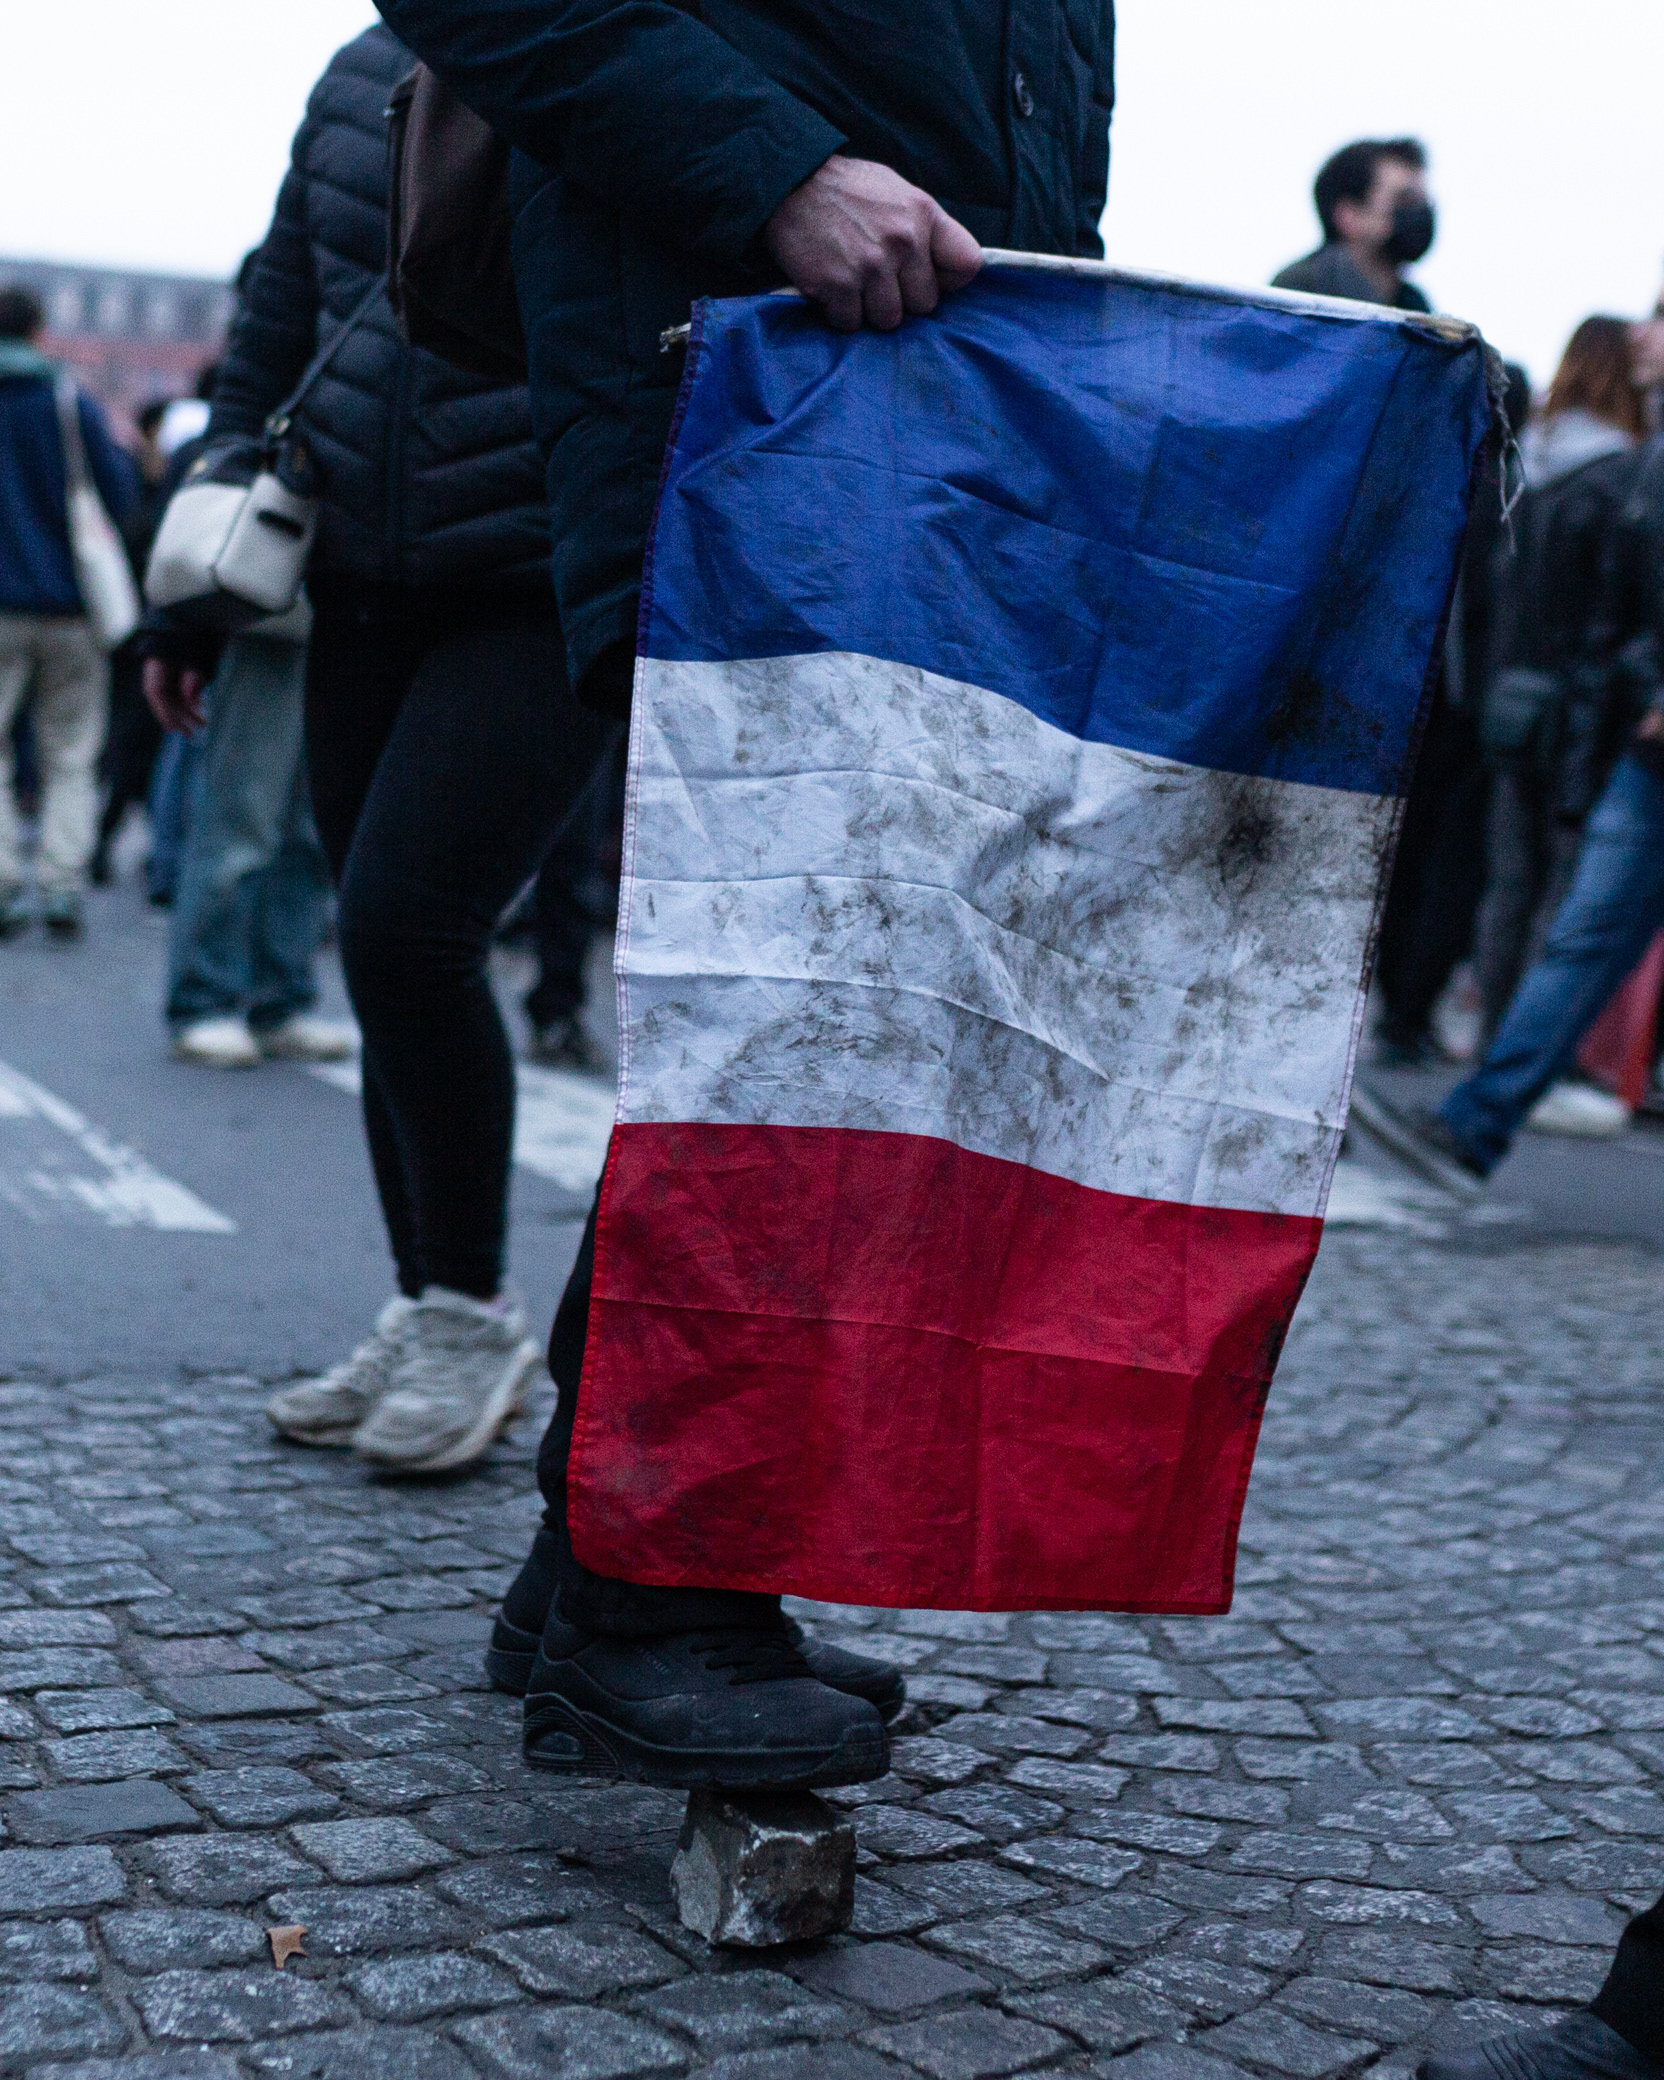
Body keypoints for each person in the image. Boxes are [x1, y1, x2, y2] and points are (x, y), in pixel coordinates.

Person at [373, 0, 1116, 1786]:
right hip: (739, 370)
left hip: (903, 400)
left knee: (807, 1018)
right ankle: (660, 1595)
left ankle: (596, 1567)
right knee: (791, 1019)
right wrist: (773, 173)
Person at [144, 24, 617, 1473]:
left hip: (537, 572)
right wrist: (203, 574)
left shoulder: (618, 48)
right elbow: (279, 309)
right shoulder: (362, 67)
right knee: (377, 945)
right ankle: (427, 1304)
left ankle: (472, 1312)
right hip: (354, 569)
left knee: (415, 927)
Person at [1360, 388, 1664, 1194]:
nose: (1647, 335)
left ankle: (1475, 1121)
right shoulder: (1640, 458)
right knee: (1581, 933)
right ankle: (1474, 1124)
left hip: (1639, 728)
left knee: (1576, 927)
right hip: (1644, 740)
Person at [1471, 319, 1646, 1072]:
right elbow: (1610, 607)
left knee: (1510, 881)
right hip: (1576, 703)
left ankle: (1491, 1042)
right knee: (1564, 888)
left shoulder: (1530, 465)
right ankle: (1531, 1054)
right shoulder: (1617, 477)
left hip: (1514, 695)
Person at [0, 284, 139, 938]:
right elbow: (120, 490)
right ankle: (60, 883)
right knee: (72, 752)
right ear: (39, 328)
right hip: (69, 602)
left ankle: (1, 881)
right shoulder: (66, 400)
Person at [155, 616, 352, 1068]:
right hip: (271, 610)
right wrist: (172, 636)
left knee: (307, 830)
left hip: (345, 613)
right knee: (242, 819)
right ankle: (204, 998)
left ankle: (280, 997)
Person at [90, 398, 171, 888]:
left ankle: (104, 840)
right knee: (129, 737)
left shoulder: (135, 479)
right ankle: (102, 841)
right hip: (137, 631)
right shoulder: (136, 481)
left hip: (133, 626)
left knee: (128, 739)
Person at [1273, 138, 1436, 312]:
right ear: (1348, 216)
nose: (1420, 212)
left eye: (1423, 201)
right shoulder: (1296, 294)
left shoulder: (1414, 304)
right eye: (1405, 199)